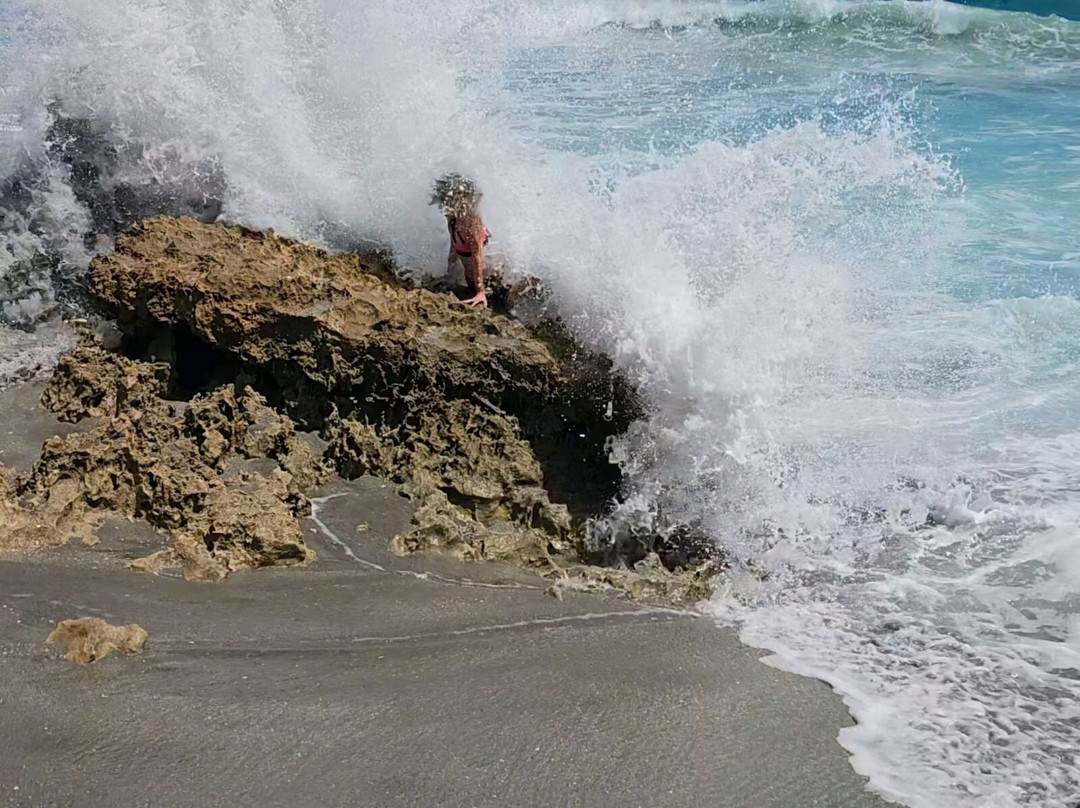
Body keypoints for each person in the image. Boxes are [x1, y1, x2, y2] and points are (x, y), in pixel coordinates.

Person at [430, 173, 490, 308]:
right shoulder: (453, 219)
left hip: (490, 279)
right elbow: (454, 247)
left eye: (446, 199)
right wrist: (450, 276)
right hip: (472, 278)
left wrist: (481, 292)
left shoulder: (468, 223)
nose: (443, 203)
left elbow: (477, 256)